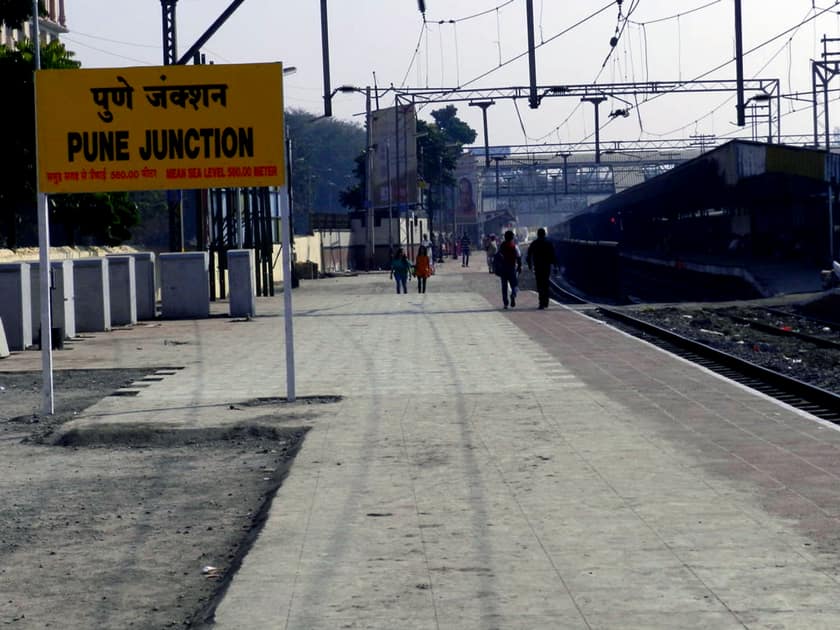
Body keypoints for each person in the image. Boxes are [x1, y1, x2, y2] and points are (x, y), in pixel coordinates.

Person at [526, 227, 558, 309]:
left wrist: (530, 265)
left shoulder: (534, 243)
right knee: (546, 283)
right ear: (544, 234)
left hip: (538, 266)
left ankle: (541, 303)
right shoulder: (548, 243)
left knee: (539, 284)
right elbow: (553, 255)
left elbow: (529, 254)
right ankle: (546, 302)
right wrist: (555, 266)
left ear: (537, 234)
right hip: (546, 266)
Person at [498, 230, 522, 309]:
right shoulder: (514, 246)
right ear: (512, 237)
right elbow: (518, 257)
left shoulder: (501, 246)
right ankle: (513, 295)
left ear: (505, 237)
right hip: (512, 268)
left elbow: (498, 256)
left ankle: (505, 303)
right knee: (514, 285)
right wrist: (519, 267)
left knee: (504, 287)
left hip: (503, 268)